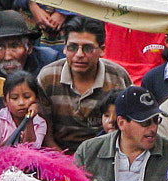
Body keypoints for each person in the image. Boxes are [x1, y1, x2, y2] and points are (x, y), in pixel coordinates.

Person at [41, 18, 133, 153]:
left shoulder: (117, 77)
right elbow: (44, 134)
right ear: (65, 48)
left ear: (102, 50)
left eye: (88, 48)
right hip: (58, 157)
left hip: (107, 154)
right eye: (72, 47)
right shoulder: (48, 77)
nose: (79, 54)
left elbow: (128, 130)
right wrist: (65, 166)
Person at [75, 86, 168, 181]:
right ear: (121, 123)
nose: (153, 128)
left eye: (156, 120)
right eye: (145, 122)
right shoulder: (89, 151)